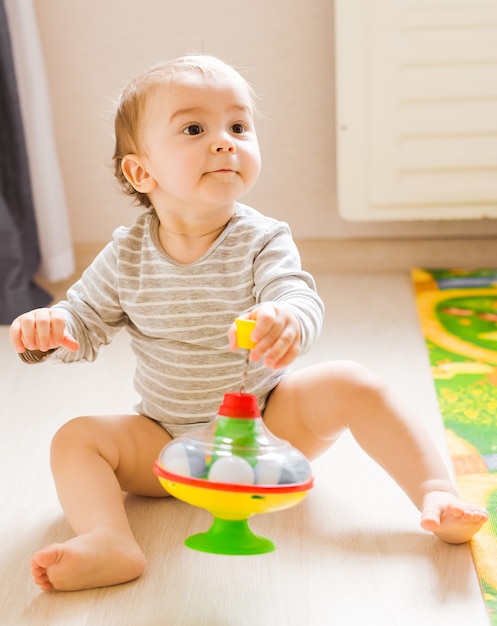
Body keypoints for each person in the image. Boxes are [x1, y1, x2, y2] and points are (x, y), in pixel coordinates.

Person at [9, 55, 487, 592]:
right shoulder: (126, 256)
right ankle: (107, 540)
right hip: (165, 441)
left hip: (268, 428)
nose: (224, 141)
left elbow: (295, 295)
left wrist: (285, 319)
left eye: (238, 126)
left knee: (353, 380)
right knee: (75, 439)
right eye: (194, 129)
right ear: (141, 172)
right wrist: (50, 330)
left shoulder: (262, 238)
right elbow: (84, 322)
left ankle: (435, 492)